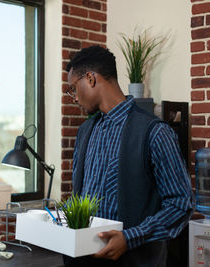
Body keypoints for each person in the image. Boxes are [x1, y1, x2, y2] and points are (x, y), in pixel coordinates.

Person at [64, 45, 194, 267]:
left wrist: (131, 237)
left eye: (73, 88)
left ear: (90, 79)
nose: (73, 97)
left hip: (134, 261)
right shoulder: (86, 131)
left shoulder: (155, 132)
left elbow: (181, 204)